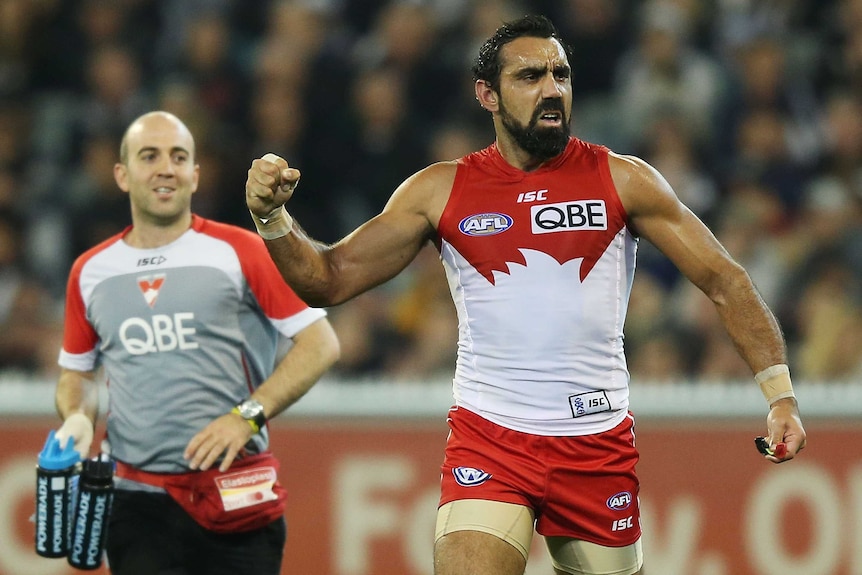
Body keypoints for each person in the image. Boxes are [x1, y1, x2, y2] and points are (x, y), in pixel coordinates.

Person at [245, 15, 807, 575]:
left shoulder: (624, 179)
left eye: (561, 75)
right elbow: (329, 277)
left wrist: (779, 394)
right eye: (531, 76)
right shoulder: (440, 190)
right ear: (487, 95)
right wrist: (272, 219)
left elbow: (725, 280)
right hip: (489, 437)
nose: (552, 90)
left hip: (596, 441)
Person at [53, 111, 340, 575]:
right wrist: (78, 420)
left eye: (178, 156)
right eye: (150, 156)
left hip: (236, 495)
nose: (166, 167)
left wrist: (244, 418)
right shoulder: (89, 271)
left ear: (196, 174)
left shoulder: (241, 250)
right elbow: (77, 373)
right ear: (122, 175)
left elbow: (320, 344)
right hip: (136, 501)